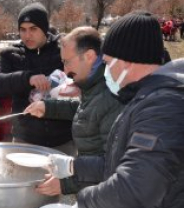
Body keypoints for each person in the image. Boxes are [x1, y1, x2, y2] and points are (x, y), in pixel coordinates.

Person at [44, 11, 184, 208]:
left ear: (127, 60)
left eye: (108, 63)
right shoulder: (142, 97)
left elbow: (136, 189)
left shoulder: (162, 107)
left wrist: (84, 201)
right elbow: (117, 163)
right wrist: (72, 166)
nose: (106, 70)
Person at [24, 26, 124, 196]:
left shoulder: (110, 94)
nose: (64, 71)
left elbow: (113, 165)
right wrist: (47, 107)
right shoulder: (92, 86)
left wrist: (67, 184)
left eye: (67, 62)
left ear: (89, 56)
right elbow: (86, 110)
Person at [0, 2, 73, 154]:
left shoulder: (62, 50)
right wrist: (27, 78)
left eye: (33, 29)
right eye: (23, 30)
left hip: (63, 141)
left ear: (45, 29)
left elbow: (83, 76)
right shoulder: (11, 54)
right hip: (25, 140)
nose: (27, 35)